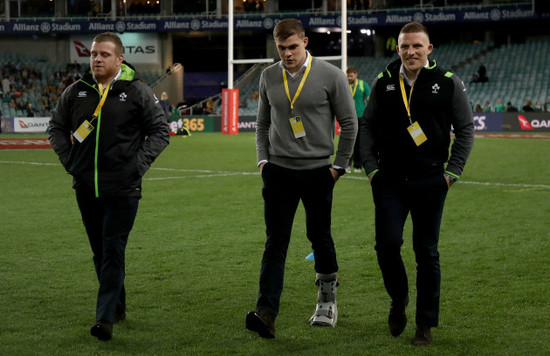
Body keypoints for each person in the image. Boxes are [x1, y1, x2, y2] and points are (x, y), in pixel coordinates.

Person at [48, 32, 170, 341]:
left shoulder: (138, 91)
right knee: (99, 251)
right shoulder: (76, 91)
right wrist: (69, 160)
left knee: (113, 249)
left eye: (104, 54)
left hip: (123, 189)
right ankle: (117, 305)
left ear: (119, 59)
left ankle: (104, 319)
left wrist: (137, 166)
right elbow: (56, 128)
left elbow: (160, 131)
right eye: (93, 54)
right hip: (86, 186)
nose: (97, 59)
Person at [360, 22, 474, 346]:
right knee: (386, 245)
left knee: (426, 253)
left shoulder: (449, 83)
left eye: (417, 46)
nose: (411, 52)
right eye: (404, 46)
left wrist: (451, 174)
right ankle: (399, 299)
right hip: (389, 181)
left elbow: (465, 130)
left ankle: (425, 324)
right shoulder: (383, 82)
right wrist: (371, 170)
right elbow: (366, 126)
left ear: (429, 49)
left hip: (430, 181)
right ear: (397, 48)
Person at [247, 18, 357, 339]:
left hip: (318, 171)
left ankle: (327, 301)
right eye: (281, 48)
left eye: (293, 46)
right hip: (278, 172)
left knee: (319, 236)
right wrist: (263, 161)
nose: (287, 53)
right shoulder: (269, 76)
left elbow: (349, 124)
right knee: (275, 241)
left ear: (305, 42)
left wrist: (338, 167)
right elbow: (262, 124)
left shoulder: (331, 75)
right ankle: (266, 312)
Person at [346, 66, 370, 173]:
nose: (349, 77)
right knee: (348, 141)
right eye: (348, 76)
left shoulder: (362, 85)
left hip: (360, 116)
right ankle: (346, 165)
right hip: (348, 117)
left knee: (359, 142)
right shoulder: (345, 84)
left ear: (356, 74)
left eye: (351, 75)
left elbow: (369, 99)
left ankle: (357, 166)